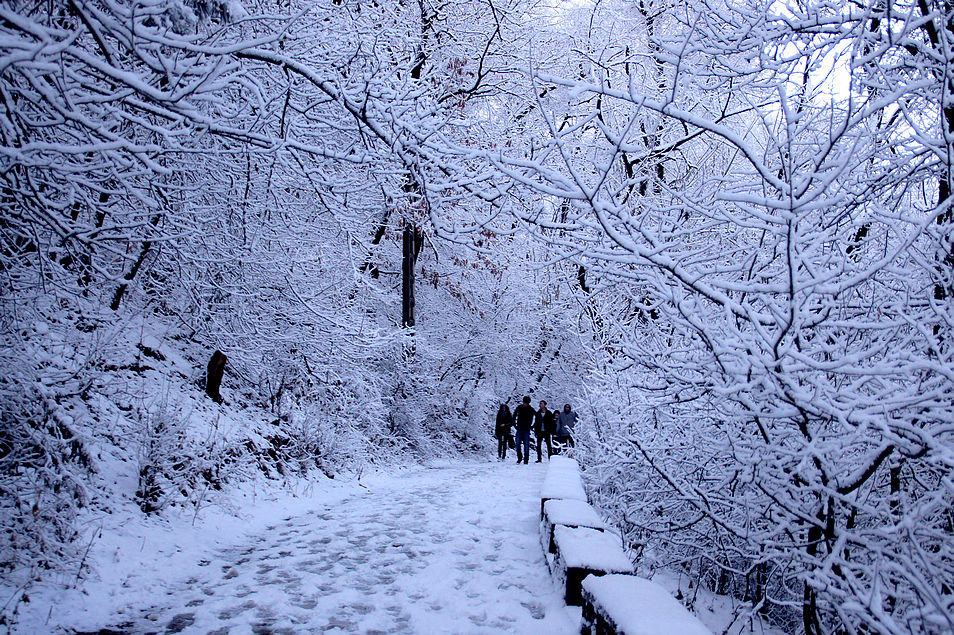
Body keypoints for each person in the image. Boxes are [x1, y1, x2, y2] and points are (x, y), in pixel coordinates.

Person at [512, 396, 535, 464]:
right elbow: (514, 415)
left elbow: (537, 416)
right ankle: (519, 457)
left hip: (526, 429)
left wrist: (532, 426)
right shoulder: (519, 407)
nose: (524, 404)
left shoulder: (531, 409)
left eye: (526, 403)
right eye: (524, 403)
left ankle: (526, 459)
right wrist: (515, 424)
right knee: (517, 444)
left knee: (526, 445)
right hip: (519, 428)